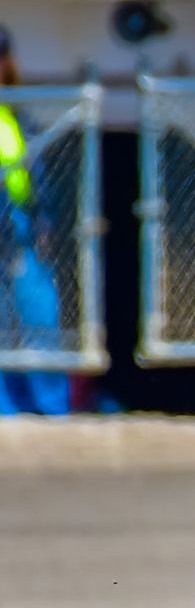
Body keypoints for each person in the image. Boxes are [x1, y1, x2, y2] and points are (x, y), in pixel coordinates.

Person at [0, 26, 67, 416]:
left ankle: (51, 409)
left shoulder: (17, 111)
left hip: (20, 222)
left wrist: (44, 220)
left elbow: (36, 173)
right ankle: (6, 410)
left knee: (41, 317)